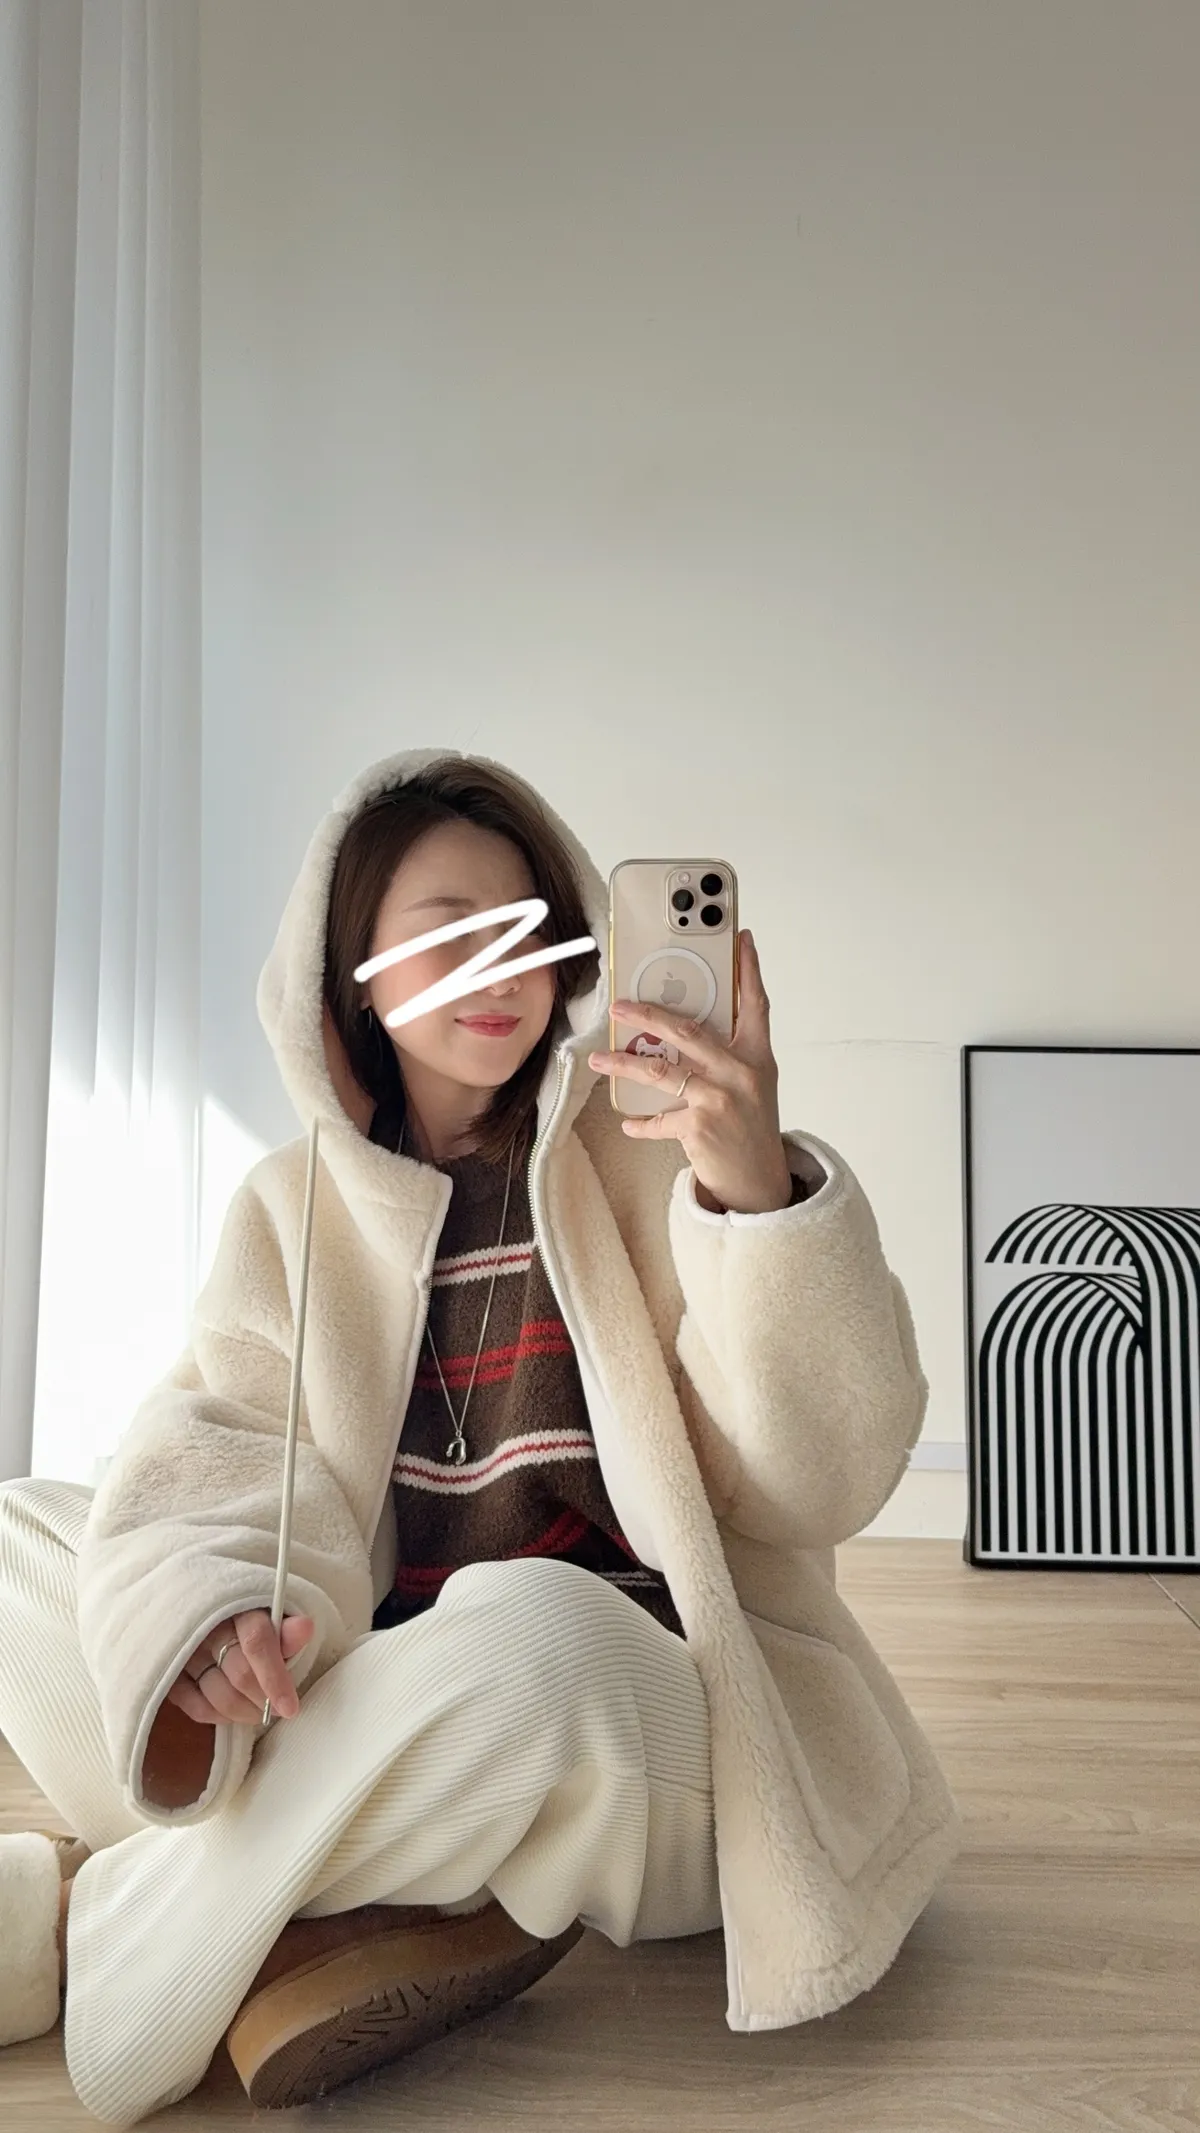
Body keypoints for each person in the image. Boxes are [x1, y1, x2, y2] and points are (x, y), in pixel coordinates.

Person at [0, 747, 961, 2124]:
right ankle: (356, 1890)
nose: (500, 967)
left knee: (528, 1626)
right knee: (32, 1535)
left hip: (646, 1724)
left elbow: (824, 1481)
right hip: (400, 1695)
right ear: (353, 978)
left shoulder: (658, 1151)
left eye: (528, 928)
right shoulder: (291, 1207)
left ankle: (81, 1921)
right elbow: (221, 1442)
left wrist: (757, 1200)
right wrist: (215, 1618)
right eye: (447, 931)